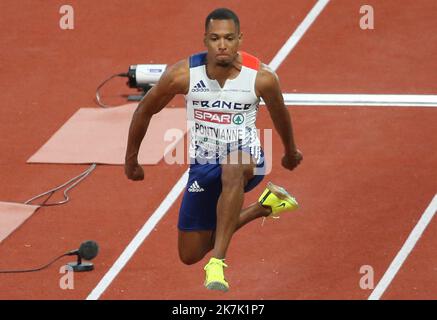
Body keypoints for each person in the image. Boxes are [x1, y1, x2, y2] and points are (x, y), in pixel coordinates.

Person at [124, 7, 303, 292]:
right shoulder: (182, 75)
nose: (222, 45)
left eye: (229, 38)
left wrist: (290, 151)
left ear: (240, 39)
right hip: (204, 163)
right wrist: (131, 161)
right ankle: (265, 206)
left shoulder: (262, 77)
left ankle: (218, 263)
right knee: (190, 254)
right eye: (215, 38)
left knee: (233, 166)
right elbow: (145, 110)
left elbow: (281, 114)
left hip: (247, 158)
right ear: (205, 40)